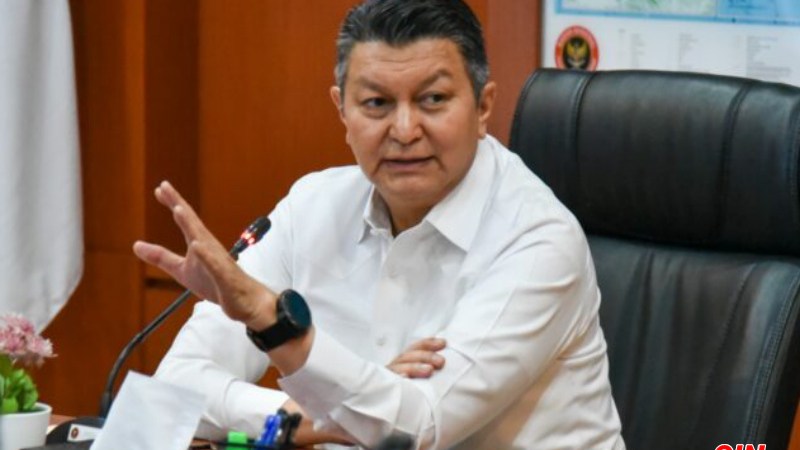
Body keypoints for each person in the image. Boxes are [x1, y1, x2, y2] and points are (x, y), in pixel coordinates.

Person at [133, 0, 625, 448]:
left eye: (433, 99)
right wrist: (311, 417)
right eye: (377, 104)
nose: (405, 131)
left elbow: (415, 429)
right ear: (342, 112)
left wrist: (274, 323)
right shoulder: (311, 208)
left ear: (483, 108)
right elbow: (177, 386)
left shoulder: (536, 239)